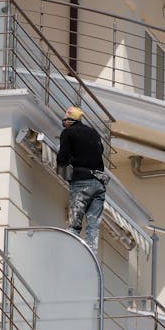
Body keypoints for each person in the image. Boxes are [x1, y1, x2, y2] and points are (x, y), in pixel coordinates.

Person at [56, 105, 108, 252]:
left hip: (81, 183)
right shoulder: (93, 133)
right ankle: (91, 254)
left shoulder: (68, 133)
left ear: (70, 120)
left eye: (65, 119)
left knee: (74, 225)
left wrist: (62, 167)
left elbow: (63, 157)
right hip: (99, 183)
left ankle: (73, 253)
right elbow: (100, 151)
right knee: (93, 225)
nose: (64, 122)